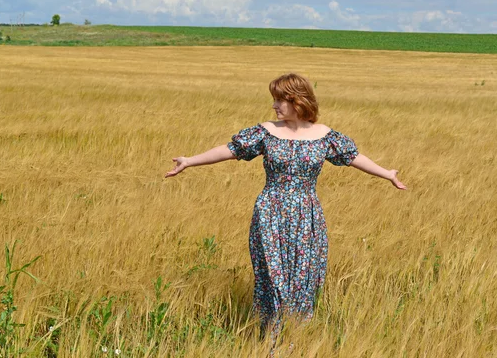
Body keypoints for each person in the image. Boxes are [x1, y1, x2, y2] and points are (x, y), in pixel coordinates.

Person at [165, 73, 406, 346]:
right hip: (270, 211)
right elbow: (229, 150)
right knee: (272, 275)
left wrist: (387, 174)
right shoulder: (265, 132)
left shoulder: (326, 136)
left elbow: (354, 158)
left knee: (304, 276)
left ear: (298, 100)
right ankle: (271, 340)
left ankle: (294, 339)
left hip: (307, 215)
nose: (274, 106)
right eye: (274, 99)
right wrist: (189, 161)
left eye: (280, 100)